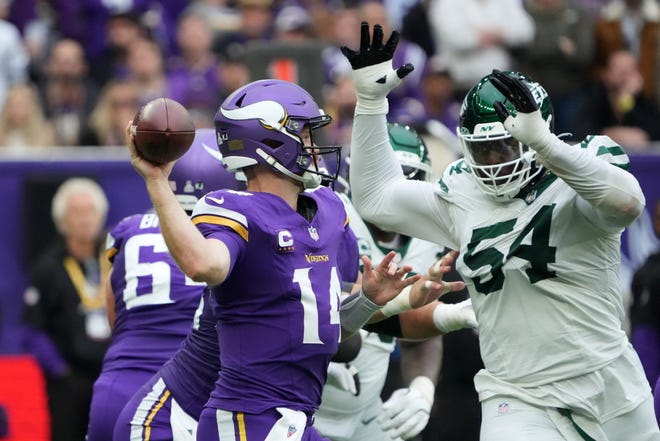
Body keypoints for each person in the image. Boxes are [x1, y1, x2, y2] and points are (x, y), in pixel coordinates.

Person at [342, 22, 660, 440]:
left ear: (536, 130)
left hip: (609, 385)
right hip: (517, 393)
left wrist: (545, 144)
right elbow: (377, 198)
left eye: (504, 145)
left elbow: (628, 203)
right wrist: (369, 103)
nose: (493, 160)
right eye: (482, 148)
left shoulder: (581, 164)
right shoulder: (462, 190)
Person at [124, 78, 439, 441]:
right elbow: (203, 265)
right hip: (248, 417)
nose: (315, 148)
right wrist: (157, 182)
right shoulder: (235, 209)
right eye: (305, 135)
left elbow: (332, 334)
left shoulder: (330, 208)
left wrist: (367, 301)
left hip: (298, 418)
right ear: (271, 141)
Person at [314, 122, 475, 441]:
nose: (394, 194)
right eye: (385, 179)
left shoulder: (426, 237)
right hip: (302, 404)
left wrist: (421, 387)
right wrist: (316, 351)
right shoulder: (330, 217)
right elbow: (322, 301)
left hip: (366, 412)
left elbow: (420, 330)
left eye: (408, 180)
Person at [86, 129, 241, 441]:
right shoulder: (230, 239)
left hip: (116, 387)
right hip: (185, 396)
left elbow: (114, 317)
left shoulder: (127, 231)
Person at [21, 177, 111, 441]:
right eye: (76, 212)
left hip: (112, 372)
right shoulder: (47, 267)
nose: (85, 219)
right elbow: (32, 329)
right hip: (70, 378)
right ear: (62, 221)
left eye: (90, 211)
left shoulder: (117, 257)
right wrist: (60, 371)